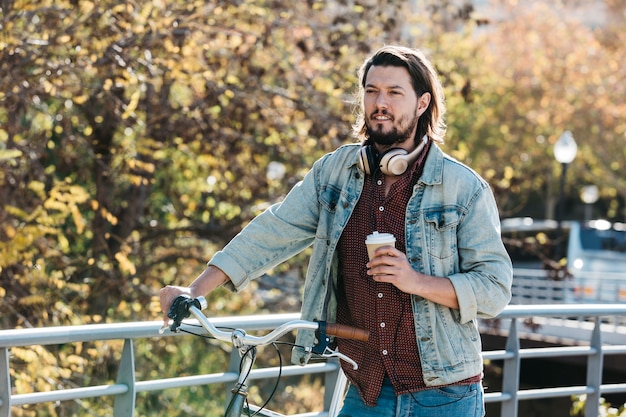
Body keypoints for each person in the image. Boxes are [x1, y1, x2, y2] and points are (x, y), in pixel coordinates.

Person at [160, 45, 512, 417]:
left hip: (446, 395)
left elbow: (495, 289)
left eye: (394, 93)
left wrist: (415, 281)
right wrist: (195, 290)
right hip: (367, 391)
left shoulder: (463, 187)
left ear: (422, 104)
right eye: (372, 91)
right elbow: (272, 230)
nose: (380, 102)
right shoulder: (334, 173)